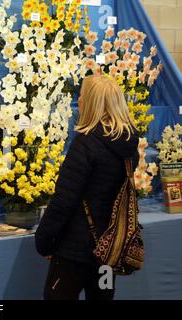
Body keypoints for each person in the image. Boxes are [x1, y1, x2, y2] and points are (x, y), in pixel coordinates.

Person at [35, 74, 139, 300]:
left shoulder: (86, 144)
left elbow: (64, 201)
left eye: (81, 96)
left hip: (75, 251)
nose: (79, 101)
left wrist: (44, 241)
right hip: (109, 251)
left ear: (91, 102)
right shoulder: (130, 148)